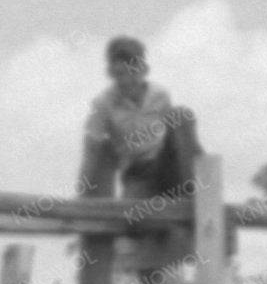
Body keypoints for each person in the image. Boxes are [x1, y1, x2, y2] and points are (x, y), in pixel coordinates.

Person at [76, 34, 203, 255]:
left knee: (182, 116)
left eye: (133, 72)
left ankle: (195, 199)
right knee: (135, 223)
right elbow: (92, 147)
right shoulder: (103, 104)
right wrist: (81, 197)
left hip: (166, 169)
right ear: (112, 74)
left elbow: (181, 141)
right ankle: (177, 209)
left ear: (143, 70)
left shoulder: (160, 95)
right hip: (138, 174)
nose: (129, 81)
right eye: (121, 74)